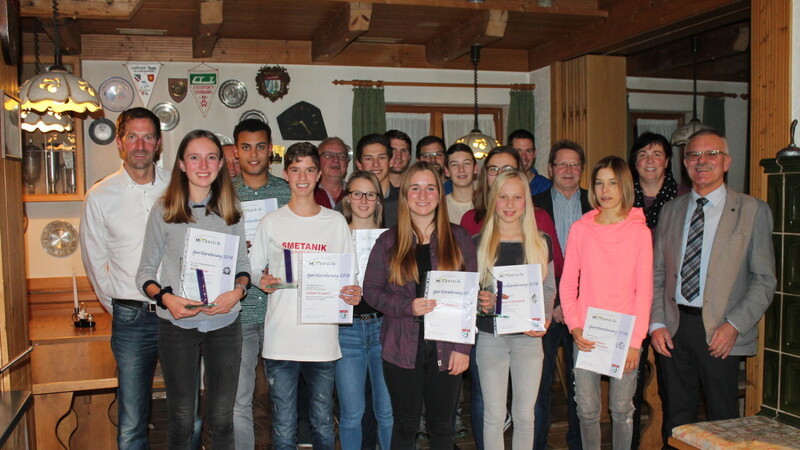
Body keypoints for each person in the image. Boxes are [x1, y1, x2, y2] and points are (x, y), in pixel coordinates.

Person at [650, 129, 776, 445]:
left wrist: (734, 325)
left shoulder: (752, 211)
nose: (701, 161)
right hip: (674, 328)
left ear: (727, 162)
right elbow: (656, 274)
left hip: (721, 331)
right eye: (693, 155)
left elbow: (764, 280)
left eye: (711, 154)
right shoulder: (671, 210)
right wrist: (656, 323)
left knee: (724, 419)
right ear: (684, 163)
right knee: (677, 417)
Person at [136, 130, 252, 448]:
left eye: (211, 157)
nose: (204, 165)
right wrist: (166, 298)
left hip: (225, 324)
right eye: (195, 157)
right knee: (182, 418)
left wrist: (238, 292)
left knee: (221, 418)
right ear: (182, 165)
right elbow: (144, 274)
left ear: (221, 164)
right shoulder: (164, 210)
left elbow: (243, 267)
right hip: (177, 324)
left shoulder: (232, 210)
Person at [249, 142, 362, 449]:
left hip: (322, 342)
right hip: (280, 340)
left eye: (309, 169)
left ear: (318, 173)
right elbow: (253, 267)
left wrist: (353, 293)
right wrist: (263, 280)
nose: (302, 176)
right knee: (284, 427)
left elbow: (349, 279)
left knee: (323, 424)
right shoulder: (271, 221)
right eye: (295, 169)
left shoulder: (335, 222)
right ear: (285, 174)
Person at [363, 161, 476, 449]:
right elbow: (371, 292)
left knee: (442, 427)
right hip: (401, 348)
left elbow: (469, 297)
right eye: (415, 188)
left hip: (448, 347)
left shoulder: (459, 238)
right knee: (405, 426)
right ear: (405, 195)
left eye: (430, 188)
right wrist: (407, 306)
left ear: (440, 194)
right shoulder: (388, 241)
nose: (422, 195)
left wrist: (463, 348)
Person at [458, 145, 562, 449]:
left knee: (525, 415)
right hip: (491, 338)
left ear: (526, 201)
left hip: (530, 338)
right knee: (492, 414)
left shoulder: (541, 242)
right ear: (493, 199)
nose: (509, 204)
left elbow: (548, 288)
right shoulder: (477, 243)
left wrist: (542, 318)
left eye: (517, 197)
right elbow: (470, 295)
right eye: (503, 196)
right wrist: (481, 302)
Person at [80, 107, 169, 449]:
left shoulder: (177, 188)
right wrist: (119, 304)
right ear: (120, 143)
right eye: (132, 136)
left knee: (187, 411)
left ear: (158, 143)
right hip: (130, 318)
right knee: (132, 421)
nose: (140, 145)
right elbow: (95, 262)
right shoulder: (100, 196)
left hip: (177, 314)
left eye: (148, 137)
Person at [560, 155, 653, 450]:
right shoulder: (581, 229)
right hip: (586, 332)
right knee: (586, 410)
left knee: (622, 410)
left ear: (624, 185)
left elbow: (645, 291)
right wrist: (575, 326)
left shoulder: (639, 231)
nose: (605, 189)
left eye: (612, 182)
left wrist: (636, 342)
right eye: (599, 182)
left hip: (625, 335)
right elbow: (567, 282)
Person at [230, 118, 291, 450]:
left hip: (280, 310)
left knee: (280, 398)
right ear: (236, 151)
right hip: (239, 313)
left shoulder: (286, 191)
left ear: (271, 150)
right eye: (246, 147)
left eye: (261, 146)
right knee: (240, 400)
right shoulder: (223, 192)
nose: (253, 154)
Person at [626, 131, 688, 449]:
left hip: (667, 305)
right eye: (643, 155)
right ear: (634, 162)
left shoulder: (683, 200)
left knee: (671, 387)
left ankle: (671, 444)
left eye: (657, 154)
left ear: (667, 161)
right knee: (630, 387)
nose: (650, 161)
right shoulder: (621, 199)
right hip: (628, 301)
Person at [532, 140, 590, 450]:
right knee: (538, 386)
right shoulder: (533, 204)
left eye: (574, 164)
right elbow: (528, 259)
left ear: (582, 169)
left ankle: (578, 444)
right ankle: (538, 444)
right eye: (562, 164)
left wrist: (573, 303)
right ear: (551, 168)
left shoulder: (597, 204)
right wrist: (553, 302)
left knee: (582, 384)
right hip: (545, 307)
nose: (568, 170)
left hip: (584, 309)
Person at [336, 171, 394, 450]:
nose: (363, 200)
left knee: (386, 412)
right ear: (347, 198)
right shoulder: (335, 235)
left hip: (384, 327)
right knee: (351, 414)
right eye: (356, 193)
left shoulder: (392, 238)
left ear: (378, 201)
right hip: (346, 330)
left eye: (370, 194)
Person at [355, 133, 399, 227]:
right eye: (369, 158)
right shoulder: (348, 203)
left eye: (381, 157)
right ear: (359, 164)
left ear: (391, 162)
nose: (376, 164)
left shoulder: (405, 203)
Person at [508, 129, 552, 196]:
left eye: (528, 151)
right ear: (509, 154)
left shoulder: (546, 187)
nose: (523, 156)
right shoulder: (502, 184)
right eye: (518, 151)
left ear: (534, 154)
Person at [444, 143, 477, 225]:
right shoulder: (440, 207)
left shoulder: (488, 204)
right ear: (447, 171)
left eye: (466, 163)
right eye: (454, 165)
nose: (461, 169)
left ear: (475, 168)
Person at [314, 137, 350, 209]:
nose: (336, 160)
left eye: (342, 156)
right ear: (317, 160)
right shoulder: (308, 193)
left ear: (347, 163)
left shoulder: (356, 193)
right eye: (328, 156)